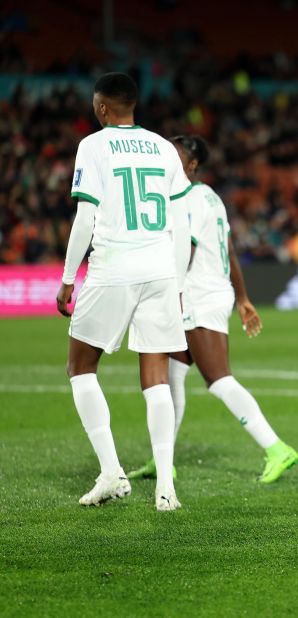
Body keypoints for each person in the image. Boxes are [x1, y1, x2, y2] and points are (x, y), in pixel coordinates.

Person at [126, 136, 298, 485]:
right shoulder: (210, 197)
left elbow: (186, 251)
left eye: (176, 158)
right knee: (172, 377)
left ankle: (276, 447)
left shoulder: (187, 200)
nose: (168, 163)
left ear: (192, 164)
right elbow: (230, 250)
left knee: (218, 379)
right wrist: (243, 298)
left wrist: (165, 292)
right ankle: (164, 461)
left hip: (196, 296)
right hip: (209, 292)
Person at [55, 72, 191, 511]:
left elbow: (85, 218)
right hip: (159, 272)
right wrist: (178, 284)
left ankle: (112, 471)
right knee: (155, 378)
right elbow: (180, 222)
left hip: (114, 268)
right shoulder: (163, 147)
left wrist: (68, 277)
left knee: (80, 367)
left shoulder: (93, 146)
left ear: (101, 108)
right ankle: (166, 487)